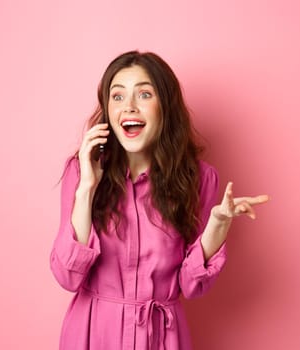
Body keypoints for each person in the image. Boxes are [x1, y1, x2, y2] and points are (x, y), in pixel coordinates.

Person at [50, 50, 269, 350]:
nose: (129, 107)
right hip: (93, 335)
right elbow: (68, 276)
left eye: (144, 94)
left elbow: (191, 287)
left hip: (161, 338)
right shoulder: (82, 171)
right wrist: (87, 186)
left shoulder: (199, 179)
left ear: (164, 106)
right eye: (117, 96)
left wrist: (217, 227)